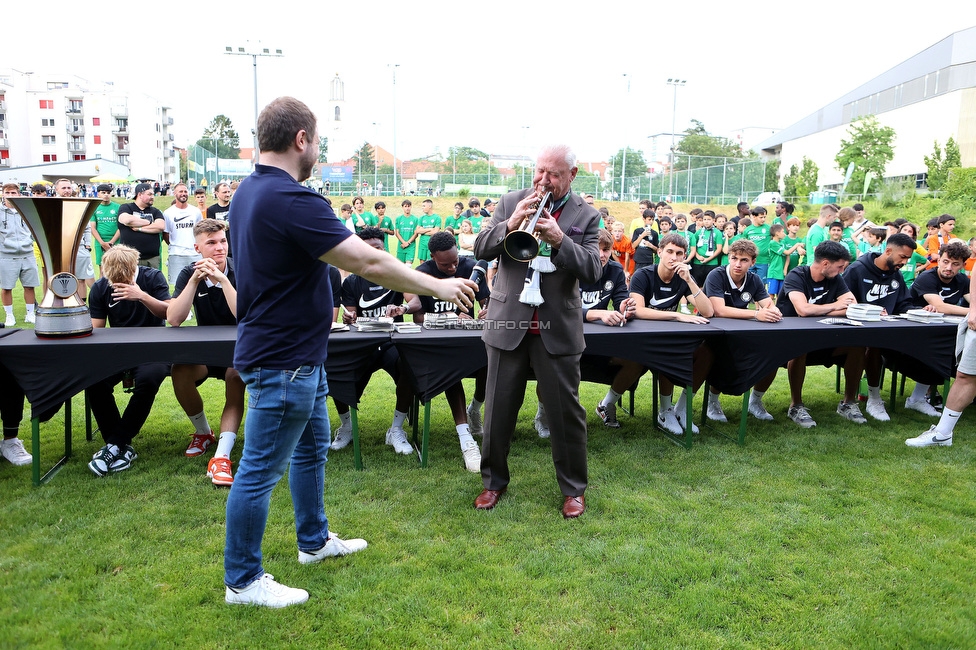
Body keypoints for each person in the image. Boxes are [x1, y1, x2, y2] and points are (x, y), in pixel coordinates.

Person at [223, 96, 475, 608]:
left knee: (313, 449)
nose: (316, 149)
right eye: (316, 141)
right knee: (259, 470)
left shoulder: (250, 191)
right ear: (301, 140)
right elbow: (367, 261)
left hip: (301, 356)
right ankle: (243, 581)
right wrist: (437, 286)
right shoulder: (289, 198)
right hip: (283, 359)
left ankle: (313, 542)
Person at [472, 144, 600, 519]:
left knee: (565, 413)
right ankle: (493, 482)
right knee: (497, 409)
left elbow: (592, 269)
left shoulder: (587, 216)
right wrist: (511, 225)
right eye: (539, 171)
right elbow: (481, 247)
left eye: (553, 174)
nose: (543, 180)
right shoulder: (511, 200)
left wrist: (561, 239)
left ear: (572, 175)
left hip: (556, 327)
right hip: (508, 323)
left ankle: (573, 489)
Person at [405, 231, 491, 472]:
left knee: (490, 363)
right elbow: (418, 315)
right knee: (450, 373)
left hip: (470, 337)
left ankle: (474, 408)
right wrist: (449, 317)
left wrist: (487, 309)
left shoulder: (472, 266)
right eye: (445, 264)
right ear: (432, 257)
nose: (453, 267)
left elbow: (486, 301)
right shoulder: (422, 274)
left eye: (455, 261)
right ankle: (466, 438)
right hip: (438, 342)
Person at [166, 219, 243, 486]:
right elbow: (174, 318)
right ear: (197, 247)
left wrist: (222, 280)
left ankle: (222, 455)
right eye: (211, 243)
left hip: (239, 351)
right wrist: (193, 283)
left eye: (222, 241)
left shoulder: (240, 268)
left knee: (236, 377)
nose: (219, 247)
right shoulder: (189, 272)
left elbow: (244, 316)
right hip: (208, 353)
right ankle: (203, 433)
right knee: (181, 370)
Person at [86, 245, 171, 476]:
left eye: (122, 278)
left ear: (134, 266)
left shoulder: (152, 277)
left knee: (149, 379)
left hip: (154, 349)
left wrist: (141, 296)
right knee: (94, 380)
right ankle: (119, 446)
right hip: (118, 351)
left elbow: (171, 313)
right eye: (112, 279)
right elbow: (97, 329)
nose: (117, 282)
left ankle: (114, 445)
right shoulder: (101, 287)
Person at [332, 227, 417, 457]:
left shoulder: (396, 274)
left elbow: (415, 300)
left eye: (378, 248)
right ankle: (347, 427)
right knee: (336, 370)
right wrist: (349, 317)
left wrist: (403, 308)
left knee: (409, 368)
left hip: (391, 341)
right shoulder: (351, 282)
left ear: (384, 249)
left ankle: (396, 430)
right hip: (363, 343)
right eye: (368, 250)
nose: (374, 253)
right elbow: (350, 315)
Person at [630, 233, 715, 435]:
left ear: (684, 256)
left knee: (707, 352)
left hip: (669, 335)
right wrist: (677, 317)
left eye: (679, 253)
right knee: (668, 351)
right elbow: (638, 310)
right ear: (659, 252)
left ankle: (682, 409)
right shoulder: (642, 275)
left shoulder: (682, 277)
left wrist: (690, 281)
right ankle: (665, 411)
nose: (674, 258)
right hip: (642, 338)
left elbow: (708, 311)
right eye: (669, 252)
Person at [842, 233, 930, 422]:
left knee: (928, 341)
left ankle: (921, 396)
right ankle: (874, 398)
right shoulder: (857, 270)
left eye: (908, 258)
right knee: (874, 344)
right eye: (903, 257)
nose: (905, 262)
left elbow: (903, 304)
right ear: (888, 251)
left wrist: (921, 311)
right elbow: (844, 303)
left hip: (890, 330)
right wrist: (871, 311)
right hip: (859, 332)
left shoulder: (896, 274)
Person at [778, 241, 865, 428]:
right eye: (840, 266)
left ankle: (848, 403)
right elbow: (802, 310)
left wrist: (819, 310)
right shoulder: (797, 275)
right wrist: (834, 306)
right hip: (790, 341)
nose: (842, 271)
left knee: (858, 345)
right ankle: (796, 405)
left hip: (826, 339)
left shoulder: (835, 278)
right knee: (800, 347)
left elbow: (852, 305)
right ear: (825, 264)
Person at [703, 239, 780, 422]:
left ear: (753, 262)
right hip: (713, 332)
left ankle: (756, 400)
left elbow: (767, 304)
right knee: (725, 357)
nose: (738, 264)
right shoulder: (716, 275)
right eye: (734, 258)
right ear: (728, 258)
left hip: (742, 331)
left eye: (744, 260)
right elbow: (719, 310)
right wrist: (756, 315)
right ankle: (712, 401)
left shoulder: (754, 279)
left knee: (774, 354)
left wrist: (773, 310)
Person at [906, 264, 976, 447]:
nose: (949, 267)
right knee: (966, 375)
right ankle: (943, 433)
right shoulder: (928, 277)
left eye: (955, 263)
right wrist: (974, 310)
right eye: (945, 261)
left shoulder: (961, 280)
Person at [580, 229, 644, 428]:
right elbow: (561, 309)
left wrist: (626, 307)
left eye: (606, 249)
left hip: (602, 341)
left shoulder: (615, 270)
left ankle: (607, 404)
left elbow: (620, 302)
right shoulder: (571, 269)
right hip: (567, 340)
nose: (601, 254)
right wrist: (599, 314)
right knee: (547, 365)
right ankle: (546, 414)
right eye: (596, 249)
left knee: (637, 360)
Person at [0, 183, 40, 326]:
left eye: (13, 193)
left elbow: (35, 228)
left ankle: (30, 314)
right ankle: (9, 315)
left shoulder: (26, 210)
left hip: (27, 253)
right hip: (6, 254)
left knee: (30, 285)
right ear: (3, 194)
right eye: (7, 193)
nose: (10, 196)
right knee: (6, 287)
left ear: (19, 194)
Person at [55, 179, 95, 300]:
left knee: (81, 279)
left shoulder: (79, 205)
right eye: (63, 188)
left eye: (68, 188)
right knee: (61, 278)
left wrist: (87, 244)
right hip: (59, 249)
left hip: (80, 248)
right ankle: (63, 305)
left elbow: (87, 228)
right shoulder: (51, 205)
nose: (67, 190)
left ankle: (81, 306)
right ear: (56, 189)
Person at [117, 183, 166, 268]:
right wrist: (149, 222)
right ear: (139, 194)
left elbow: (160, 226)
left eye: (153, 194)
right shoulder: (126, 207)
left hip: (152, 259)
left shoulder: (155, 211)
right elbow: (127, 220)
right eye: (149, 194)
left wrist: (139, 228)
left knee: (153, 281)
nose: (152, 197)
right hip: (129, 258)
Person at [163, 183, 203, 285]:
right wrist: (175, 244)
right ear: (175, 193)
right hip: (176, 254)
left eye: (185, 191)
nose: (183, 194)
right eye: (180, 191)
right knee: (178, 285)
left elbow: (200, 231)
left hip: (194, 254)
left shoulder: (196, 211)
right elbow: (166, 234)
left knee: (199, 285)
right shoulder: (168, 213)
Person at [89, 184, 120, 278]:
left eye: (108, 193)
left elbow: (121, 227)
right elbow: (92, 228)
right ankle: (102, 291)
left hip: (116, 241)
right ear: (98, 194)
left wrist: (112, 242)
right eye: (103, 193)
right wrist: (102, 243)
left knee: (117, 268)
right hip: (100, 242)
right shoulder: (94, 207)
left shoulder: (118, 207)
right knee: (103, 269)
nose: (106, 195)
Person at [394, 199, 419, 264]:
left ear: (411, 207)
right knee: (400, 267)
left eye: (409, 206)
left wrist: (407, 243)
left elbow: (416, 234)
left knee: (408, 266)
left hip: (411, 246)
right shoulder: (399, 219)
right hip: (401, 246)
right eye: (405, 206)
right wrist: (404, 243)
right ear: (402, 207)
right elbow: (397, 233)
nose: (407, 208)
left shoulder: (415, 219)